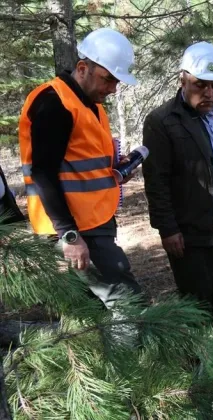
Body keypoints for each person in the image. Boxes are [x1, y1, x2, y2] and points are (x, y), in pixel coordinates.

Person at [18, 28, 142, 308]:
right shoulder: (54, 102)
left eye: (116, 82)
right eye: (108, 79)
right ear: (83, 68)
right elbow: (43, 173)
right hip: (78, 229)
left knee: (92, 310)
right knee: (127, 304)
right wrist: (70, 235)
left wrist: (115, 172)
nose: (112, 88)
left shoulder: (90, 105)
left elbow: (81, 165)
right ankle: (136, 353)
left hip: (95, 222)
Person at [142, 42, 213, 319]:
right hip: (190, 233)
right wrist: (167, 229)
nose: (209, 93)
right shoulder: (162, 121)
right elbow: (156, 180)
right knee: (197, 303)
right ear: (183, 80)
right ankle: (197, 357)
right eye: (200, 85)